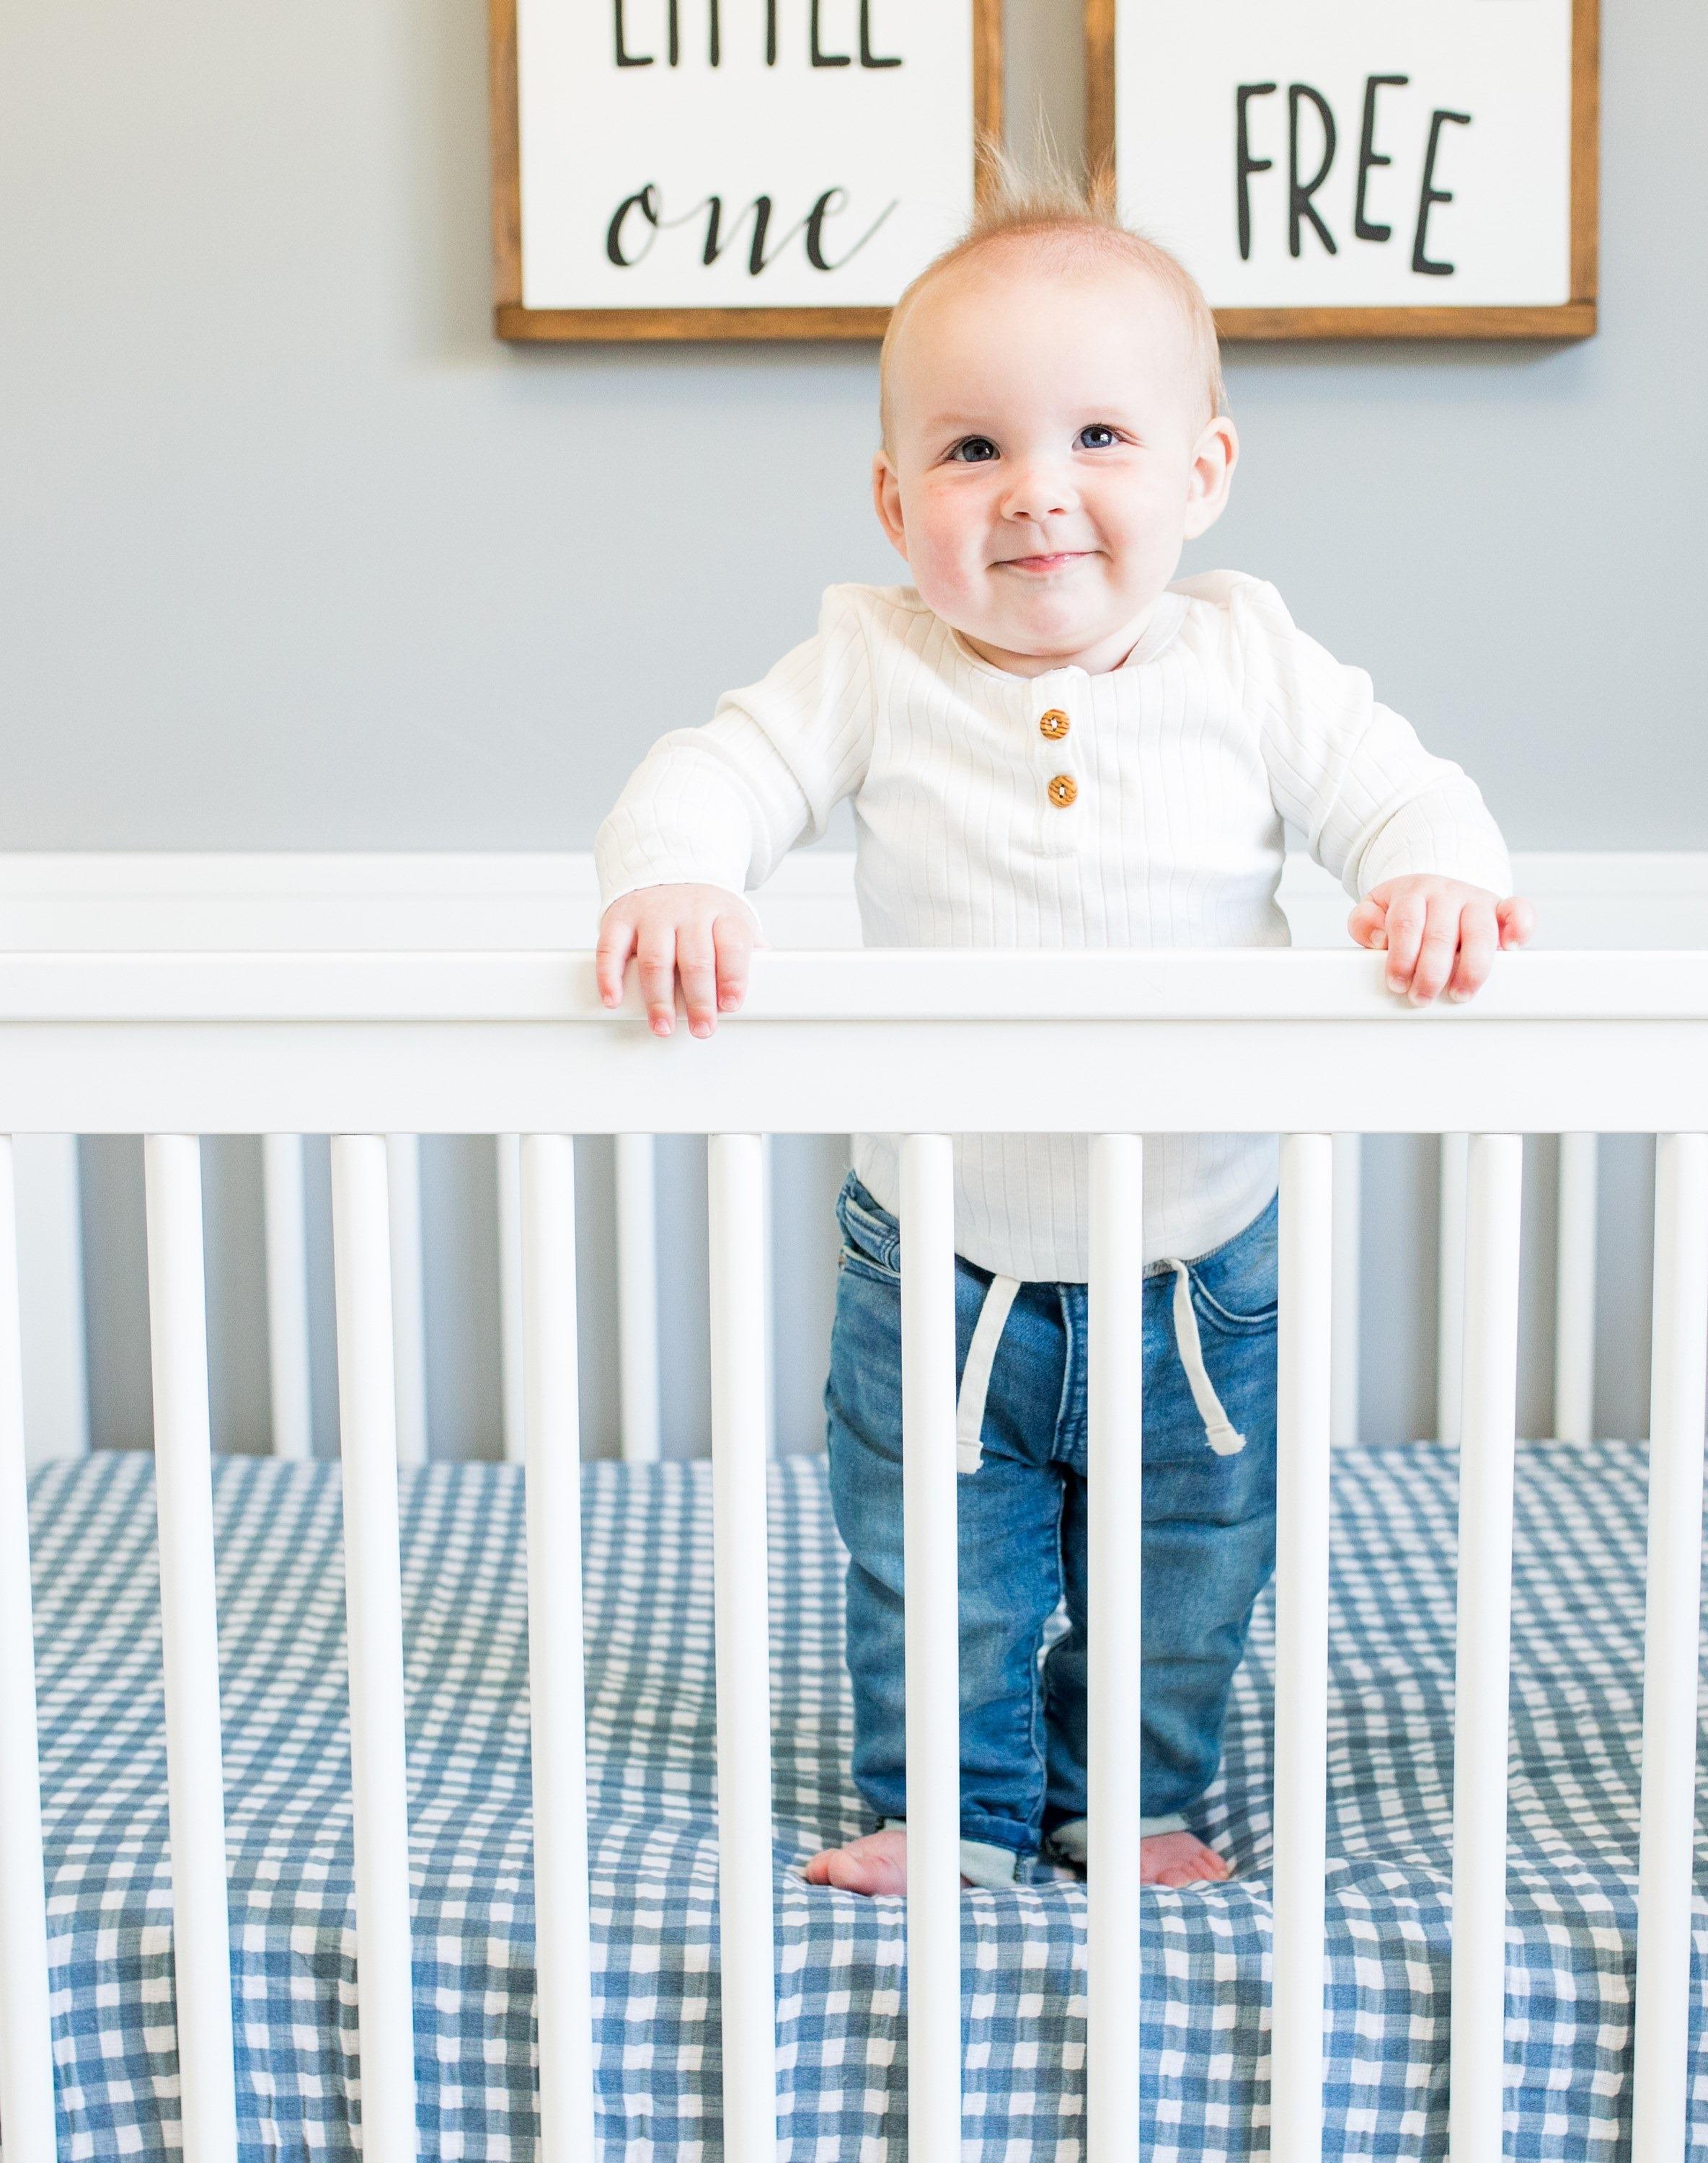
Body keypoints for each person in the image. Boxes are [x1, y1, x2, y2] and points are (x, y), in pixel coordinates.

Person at [593, 164, 1531, 1894]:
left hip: (1199, 1253)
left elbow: (1403, 790)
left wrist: (1434, 880)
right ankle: (948, 1811)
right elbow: (714, 773)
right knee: (932, 1562)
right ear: (895, 500)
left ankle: (1136, 1802)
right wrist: (680, 881)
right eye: (973, 452)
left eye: (1100, 437)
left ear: (1206, 473)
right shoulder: (871, 665)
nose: (1037, 494)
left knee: (1187, 1563)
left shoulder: (1250, 662)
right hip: (942, 1261)